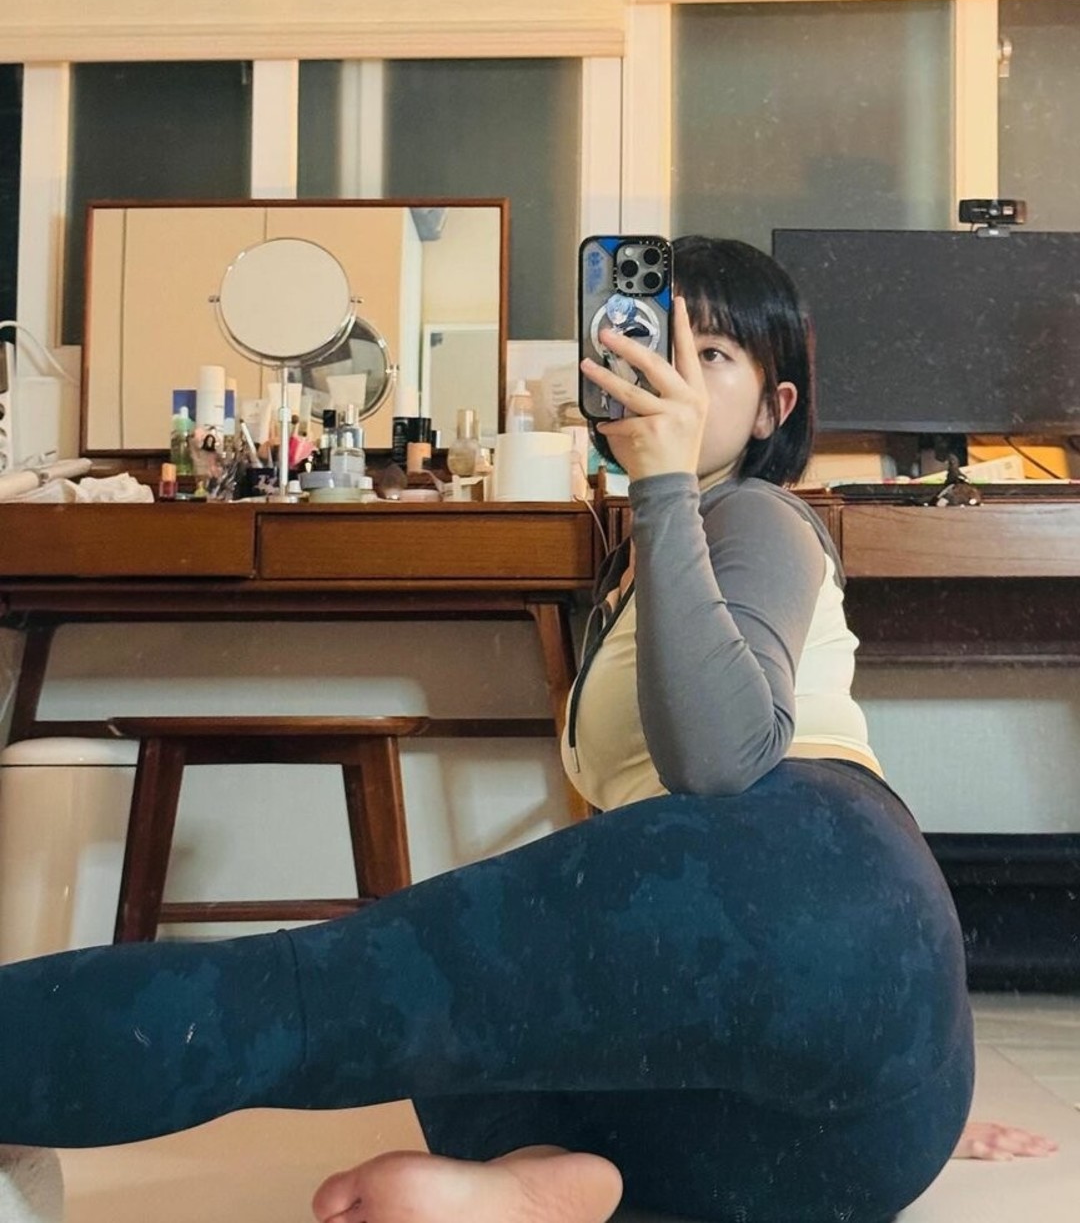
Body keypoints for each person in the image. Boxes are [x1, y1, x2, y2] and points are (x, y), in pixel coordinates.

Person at [0, 237, 1056, 1223]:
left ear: (772, 408)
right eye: (654, 341)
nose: (672, 374)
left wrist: (663, 478)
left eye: (713, 355)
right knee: (463, 1017)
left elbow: (720, 761)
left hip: (823, 880)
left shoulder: (756, 515)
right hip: (849, 1147)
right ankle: (537, 1174)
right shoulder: (646, 564)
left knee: (304, 1000)